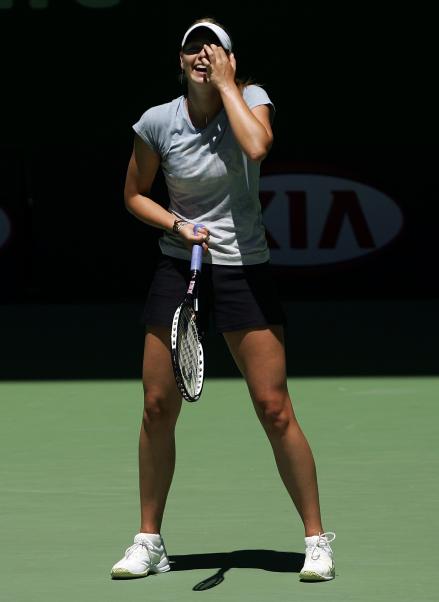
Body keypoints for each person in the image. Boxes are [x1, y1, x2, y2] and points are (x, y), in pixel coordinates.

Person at [110, 17, 336, 583]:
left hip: (243, 270)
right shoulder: (157, 122)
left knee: (274, 406)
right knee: (158, 405)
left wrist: (231, 87)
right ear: (179, 63)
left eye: (212, 47)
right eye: (191, 48)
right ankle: (149, 540)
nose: (202, 54)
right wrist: (176, 224)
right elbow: (134, 195)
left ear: (230, 60)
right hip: (178, 266)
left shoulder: (251, 99)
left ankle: (316, 540)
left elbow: (257, 148)